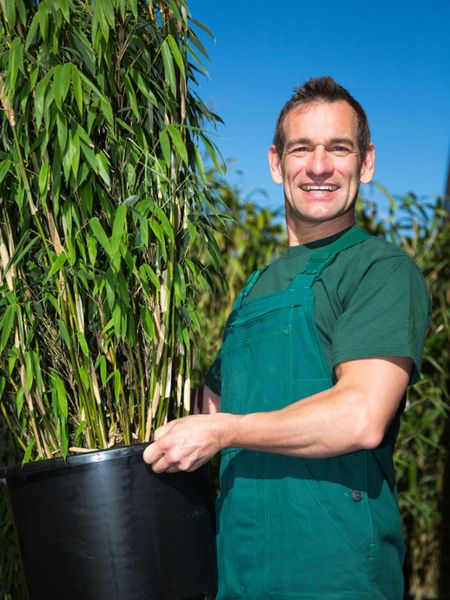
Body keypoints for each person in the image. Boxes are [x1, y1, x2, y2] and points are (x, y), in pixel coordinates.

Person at [144, 76, 430, 599]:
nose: (319, 167)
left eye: (338, 149)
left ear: (366, 163)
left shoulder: (379, 270)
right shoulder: (252, 290)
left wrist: (224, 432)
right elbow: (212, 411)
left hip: (334, 577)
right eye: (302, 149)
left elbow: (360, 418)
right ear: (277, 163)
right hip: (240, 576)